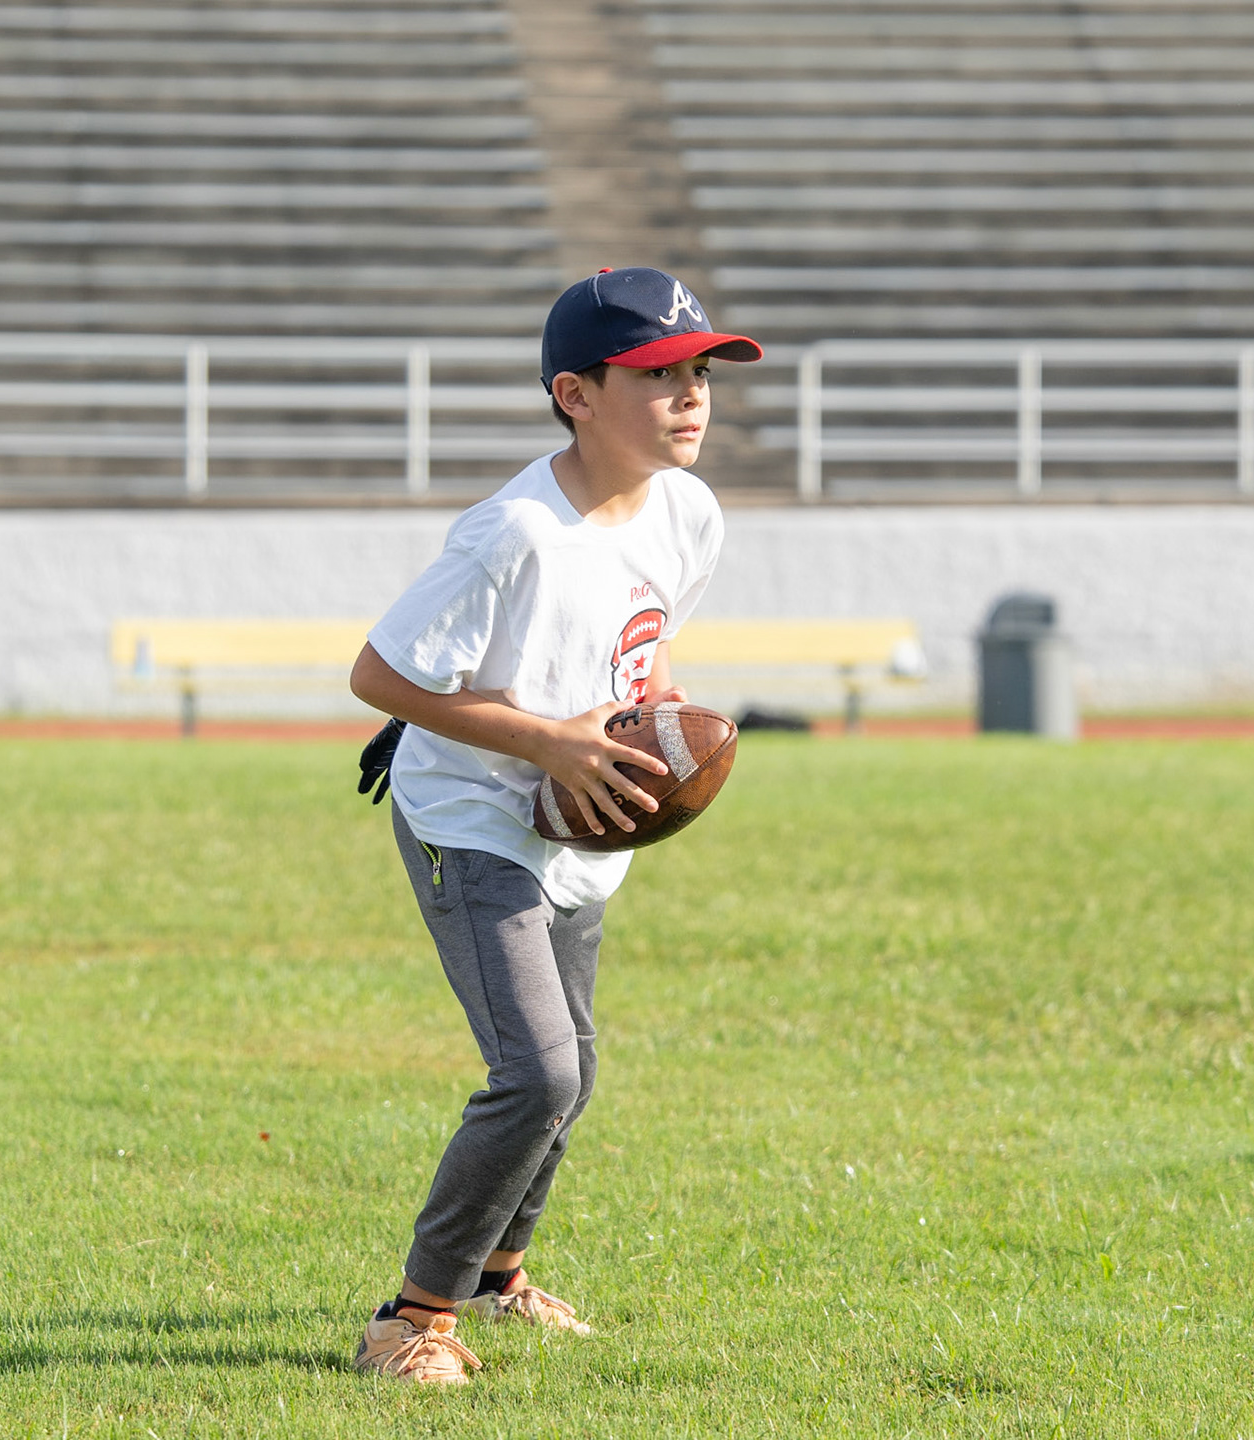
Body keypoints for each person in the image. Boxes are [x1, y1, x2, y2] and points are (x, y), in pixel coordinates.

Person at [345, 268, 762, 1384]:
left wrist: (656, 721)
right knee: (536, 1073)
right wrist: (549, 743)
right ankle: (411, 1320)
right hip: (473, 812)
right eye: (658, 375)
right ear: (575, 395)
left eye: (702, 372)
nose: (692, 395)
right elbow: (379, 675)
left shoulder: (689, 511)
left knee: (574, 1064)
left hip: (576, 812)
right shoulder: (515, 534)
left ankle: (500, 1277)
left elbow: (643, 643)